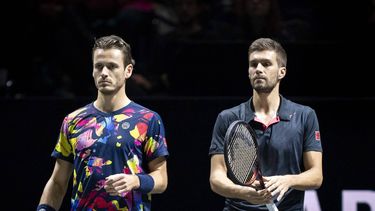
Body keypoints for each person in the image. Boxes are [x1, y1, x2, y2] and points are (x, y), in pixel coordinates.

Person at [37, 35, 169, 211]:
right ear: (92, 71)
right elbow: (57, 182)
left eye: (112, 66)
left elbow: (161, 179)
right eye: (99, 66)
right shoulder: (73, 120)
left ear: (128, 71)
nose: (104, 73)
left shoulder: (148, 120)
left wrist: (136, 180)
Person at [208, 38, 323, 210]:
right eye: (253, 64)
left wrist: (288, 180)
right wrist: (243, 192)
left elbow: (316, 176)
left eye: (266, 64)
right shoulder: (228, 118)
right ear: (248, 71)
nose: (259, 69)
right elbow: (216, 179)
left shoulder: (305, 116)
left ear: (281, 72)